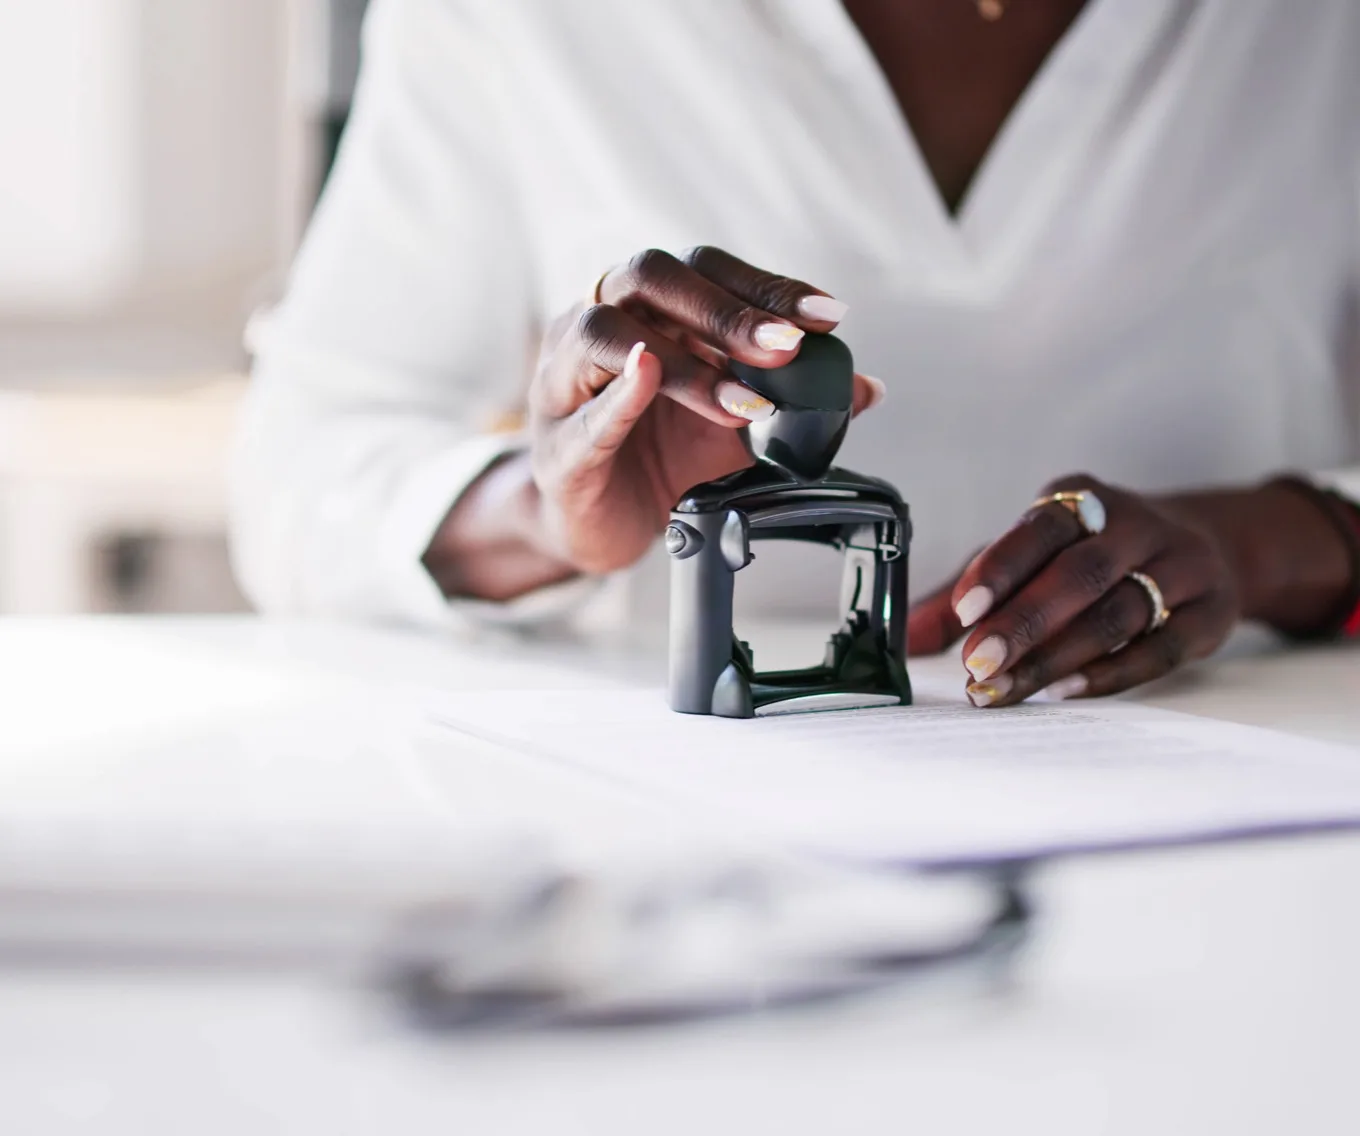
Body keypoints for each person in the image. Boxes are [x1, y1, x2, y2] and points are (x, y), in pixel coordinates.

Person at [230, 0, 1360, 708]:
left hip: (1257, 765)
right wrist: (543, 507)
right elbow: (303, 473)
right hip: (687, 828)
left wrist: (1272, 540)